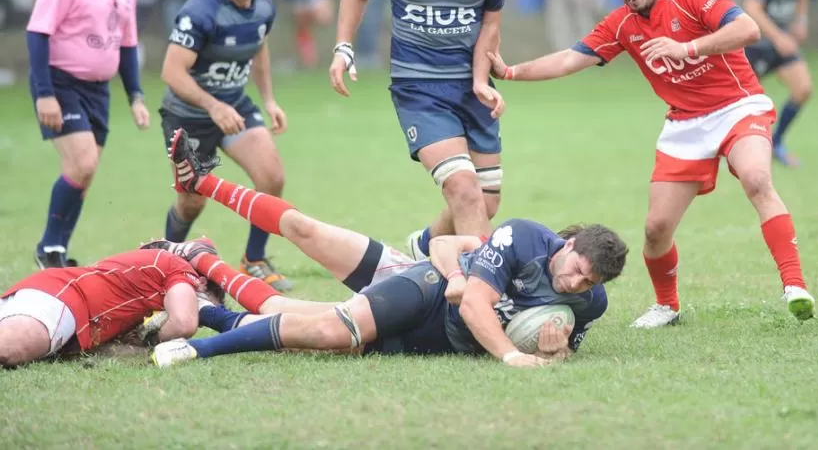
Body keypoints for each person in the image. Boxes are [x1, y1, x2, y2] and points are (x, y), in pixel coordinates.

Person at [485, 0, 816, 329]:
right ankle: (667, 305)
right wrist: (512, 72)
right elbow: (571, 59)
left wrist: (687, 49)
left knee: (757, 179)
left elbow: (748, 29)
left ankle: (794, 287)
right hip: (685, 124)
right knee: (656, 228)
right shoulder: (622, 24)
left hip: (737, 106)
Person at [149, 128, 628, 368]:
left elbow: (563, 341)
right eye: (577, 270)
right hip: (416, 281)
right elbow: (452, 262)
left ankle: (200, 267)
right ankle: (203, 181)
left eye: (587, 282)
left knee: (292, 315)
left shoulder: (589, 301)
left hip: (421, 294)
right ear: (567, 243)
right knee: (304, 229)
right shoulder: (522, 237)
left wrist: (557, 352)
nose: (575, 284)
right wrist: (513, 355)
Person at [327, 0, 509, 262]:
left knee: (486, 203)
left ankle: (425, 247)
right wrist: (344, 47)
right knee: (463, 189)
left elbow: (490, 24)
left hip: (473, 90)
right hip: (419, 89)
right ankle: (482, 297)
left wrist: (481, 80)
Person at [159, 0, 292, 292]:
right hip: (188, 117)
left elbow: (258, 49)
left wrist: (269, 101)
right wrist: (213, 106)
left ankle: (254, 260)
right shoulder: (200, 12)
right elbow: (172, 73)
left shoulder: (263, 8)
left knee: (271, 177)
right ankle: (163, 265)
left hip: (235, 107)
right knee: (192, 203)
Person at [26, 0, 151, 269]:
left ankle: (57, 253)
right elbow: (38, 32)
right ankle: (49, 247)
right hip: (61, 82)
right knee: (83, 162)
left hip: (99, 90)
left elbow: (127, 44)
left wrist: (136, 96)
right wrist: (45, 92)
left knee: (85, 171)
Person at [0, 248, 202, 368]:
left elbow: (108, 351)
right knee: (9, 350)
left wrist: (144, 348)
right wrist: (153, 340)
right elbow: (184, 323)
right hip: (62, 299)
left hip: (49, 294)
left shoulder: (140, 288)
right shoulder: (178, 267)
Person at [742, 0, 813, 168]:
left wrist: (802, 21)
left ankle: (777, 142)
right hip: (756, 46)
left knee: (803, 89)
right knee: (739, 104)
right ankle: (723, 150)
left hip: (781, 45)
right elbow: (751, 6)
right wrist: (777, 36)